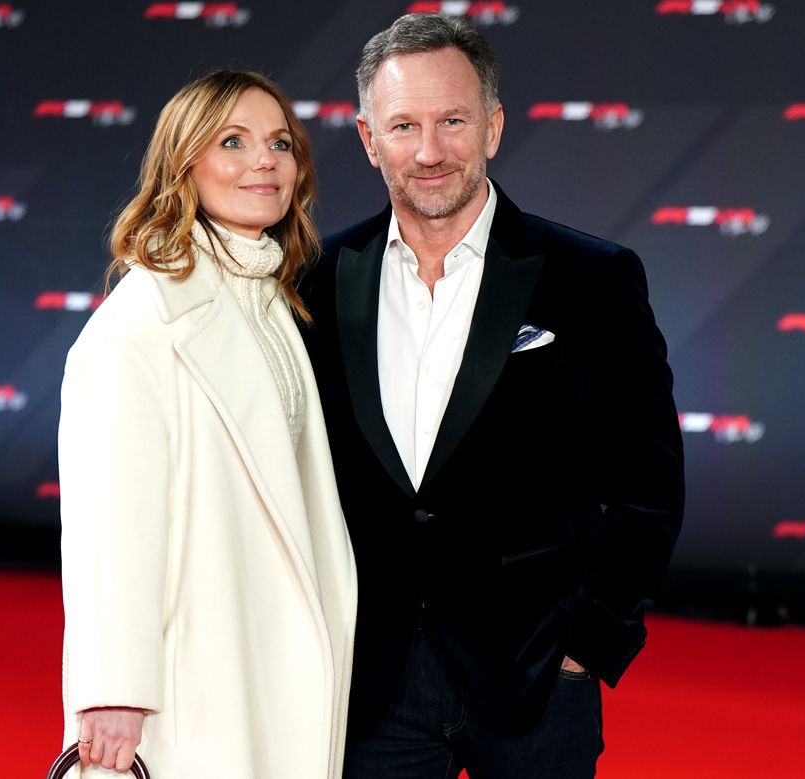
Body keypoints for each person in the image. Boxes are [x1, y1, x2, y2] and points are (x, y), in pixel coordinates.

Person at [299, 14, 684, 778]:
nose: (430, 150)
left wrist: (588, 644)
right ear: (369, 139)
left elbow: (647, 483)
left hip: (536, 679)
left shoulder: (588, 278)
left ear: (494, 127)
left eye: (453, 120)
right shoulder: (317, 279)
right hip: (369, 685)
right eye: (404, 125)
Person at [58, 71, 356, 779]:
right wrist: (113, 692)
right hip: (192, 683)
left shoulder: (276, 305)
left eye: (281, 143)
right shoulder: (141, 324)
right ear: (183, 165)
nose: (265, 160)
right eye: (233, 141)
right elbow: (110, 525)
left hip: (270, 667)